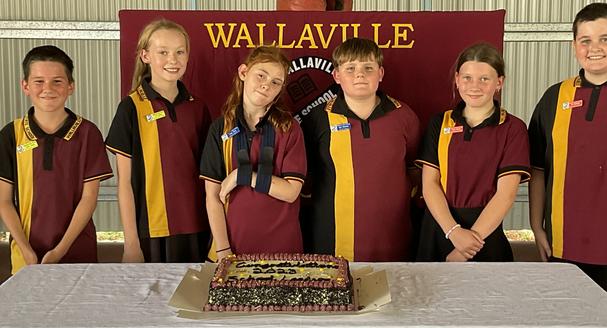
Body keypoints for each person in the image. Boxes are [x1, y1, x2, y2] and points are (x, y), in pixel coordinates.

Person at [528, 2, 607, 319]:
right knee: (564, 324)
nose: (594, 48)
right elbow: (537, 170)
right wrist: (535, 225)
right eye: (585, 40)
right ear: (574, 46)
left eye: (605, 39)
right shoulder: (554, 98)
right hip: (563, 247)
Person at [301, 37, 420, 262]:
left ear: (381, 73)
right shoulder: (317, 119)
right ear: (336, 75)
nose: (360, 74)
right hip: (333, 237)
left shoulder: (404, 116)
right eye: (350, 68)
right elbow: (307, 175)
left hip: (393, 236)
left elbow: (414, 168)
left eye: (368, 67)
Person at [105, 19, 212, 263]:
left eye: (179, 52)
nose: (172, 60)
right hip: (151, 231)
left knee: (192, 299)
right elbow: (125, 184)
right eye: (163, 52)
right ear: (145, 56)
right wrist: (131, 243)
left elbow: (209, 176)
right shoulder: (131, 108)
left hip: (196, 226)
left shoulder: (199, 108)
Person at [0, 45, 113, 274]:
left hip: (77, 253)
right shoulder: (11, 134)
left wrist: (60, 251)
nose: (47, 89)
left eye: (57, 81)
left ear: (71, 86)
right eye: (39, 81)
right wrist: (26, 250)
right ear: (25, 86)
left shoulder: (88, 133)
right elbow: (4, 201)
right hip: (27, 256)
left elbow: (89, 198)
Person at [415, 43, 530, 262]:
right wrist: (453, 232)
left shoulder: (513, 128)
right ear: (457, 79)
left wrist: (465, 248)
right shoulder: (439, 123)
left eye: (484, 79)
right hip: (439, 227)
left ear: (499, 82)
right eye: (467, 78)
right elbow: (430, 184)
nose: (474, 86)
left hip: (485, 236)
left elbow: (506, 194)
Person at [199, 46, 306, 262]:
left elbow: (291, 192)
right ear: (243, 72)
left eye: (276, 82)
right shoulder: (220, 129)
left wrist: (243, 176)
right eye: (261, 75)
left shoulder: (289, 128)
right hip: (231, 249)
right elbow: (213, 196)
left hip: (283, 251)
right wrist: (222, 250)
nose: (266, 84)